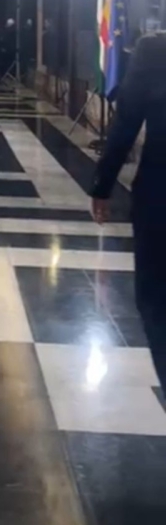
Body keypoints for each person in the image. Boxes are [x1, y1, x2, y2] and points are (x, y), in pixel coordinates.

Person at [89, 32, 166, 390]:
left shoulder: (155, 51)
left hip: (159, 200)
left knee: (155, 300)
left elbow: (126, 124)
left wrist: (102, 185)